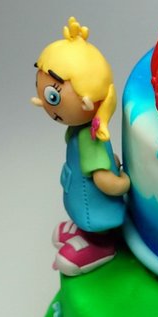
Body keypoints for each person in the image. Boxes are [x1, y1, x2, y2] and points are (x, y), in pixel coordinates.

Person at [32, 17, 129, 275]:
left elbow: (104, 180)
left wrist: (125, 183)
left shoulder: (90, 138)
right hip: (79, 193)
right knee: (84, 213)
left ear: (87, 102)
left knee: (93, 218)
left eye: (52, 96)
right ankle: (85, 232)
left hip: (94, 203)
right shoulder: (78, 129)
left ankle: (101, 245)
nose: (43, 102)